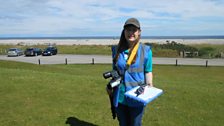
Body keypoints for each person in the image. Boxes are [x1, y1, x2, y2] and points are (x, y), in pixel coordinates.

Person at [108, 18, 153, 126]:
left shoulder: (145, 50)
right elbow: (115, 70)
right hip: (119, 96)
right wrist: (110, 86)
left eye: (134, 30)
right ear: (124, 32)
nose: (131, 33)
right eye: (128, 30)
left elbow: (148, 71)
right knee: (122, 123)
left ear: (139, 32)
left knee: (135, 124)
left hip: (137, 96)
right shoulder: (116, 50)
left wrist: (150, 86)